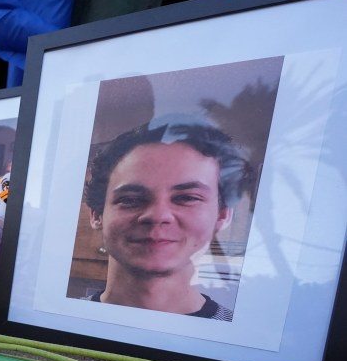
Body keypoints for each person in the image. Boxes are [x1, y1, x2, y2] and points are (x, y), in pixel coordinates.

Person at [82, 116, 253, 321]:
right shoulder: (57, 322)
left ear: (222, 215)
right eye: (130, 199)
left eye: (187, 198)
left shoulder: (244, 343)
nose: (157, 215)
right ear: (96, 214)